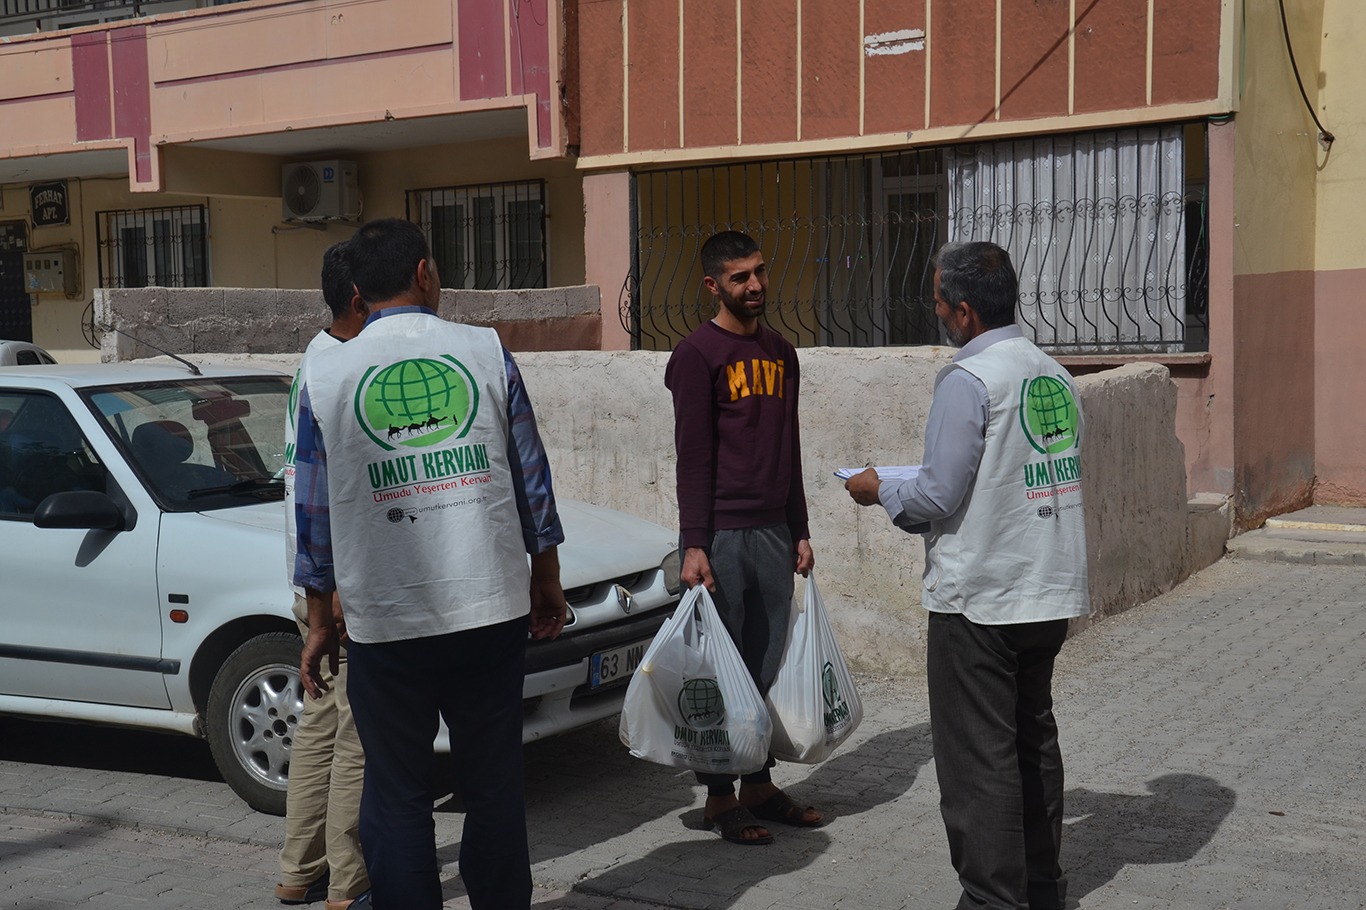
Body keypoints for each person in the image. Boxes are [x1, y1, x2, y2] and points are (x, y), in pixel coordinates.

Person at [294, 218, 569, 910]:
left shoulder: (324, 372)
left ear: (357, 289)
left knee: (398, 796)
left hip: (384, 623)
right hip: (489, 610)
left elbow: (314, 510)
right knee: (495, 788)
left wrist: (320, 618)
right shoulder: (484, 350)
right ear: (424, 273)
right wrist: (547, 578)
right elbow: (529, 473)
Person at [844, 241, 1092, 910]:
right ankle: (1042, 888)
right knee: (1031, 739)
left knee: (978, 759)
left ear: (962, 313)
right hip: (1045, 589)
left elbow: (935, 497)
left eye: (936, 304)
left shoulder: (969, 379)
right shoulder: (1052, 374)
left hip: (980, 599)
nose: (937, 315)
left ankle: (991, 898)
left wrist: (879, 490)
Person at [664, 229, 820, 846]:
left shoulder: (783, 352)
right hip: (721, 536)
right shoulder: (696, 356)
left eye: (758, 272)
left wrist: (801, 528)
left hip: (775, 533)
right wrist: (694, 542)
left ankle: (758, 785)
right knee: (723, 671)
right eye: (739, 277)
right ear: (713, 285)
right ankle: (720, 797)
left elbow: (791, 447)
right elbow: (692, 457)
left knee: (763, 665)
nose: (754, 285)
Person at [275, 241, 370, 909]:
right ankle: (350, 879)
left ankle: (298, 869)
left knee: (320, 721)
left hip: (316, 576)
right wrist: (328, 598)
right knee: (357, 733)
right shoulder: (343, 367)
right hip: (338, 582)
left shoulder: (314, 357)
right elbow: (325, 494)